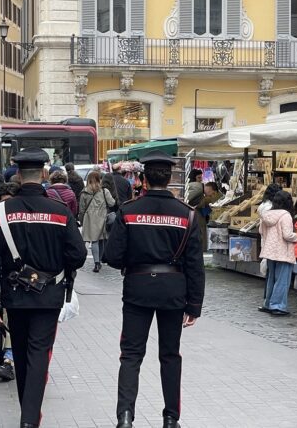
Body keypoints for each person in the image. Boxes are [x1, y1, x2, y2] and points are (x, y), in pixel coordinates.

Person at [0, 148, 87, 427]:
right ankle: (29, 419)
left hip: (14, 295)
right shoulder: (60, 211)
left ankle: (27, 414)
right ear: (43, 174)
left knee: (19, 350)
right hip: (49, 294)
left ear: (18, 174)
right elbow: (77, 255)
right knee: (39, 353)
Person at [103, 151, 205, 428]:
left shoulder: (129, 211)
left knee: (131, 355)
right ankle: (171, 418)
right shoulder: (188, 214)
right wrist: (194, 305)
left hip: (137, 289)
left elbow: (112, 256)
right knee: (170, 355)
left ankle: (125, 416)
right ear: (170, 178)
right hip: (174, 291)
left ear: (144, 178)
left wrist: (135, 261)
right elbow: (195, 264)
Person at [0, 182, 21, 383]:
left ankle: (15, 360)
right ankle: (9, 361)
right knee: (9, 320)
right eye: (2, 203)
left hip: (30, 283)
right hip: (8, 282)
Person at [258, 190, 297, 316]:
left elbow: (261, 231)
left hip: (270, 250)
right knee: (282, 279)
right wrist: (296, 237)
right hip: (283, 251)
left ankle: (268, 302)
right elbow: (287, 235)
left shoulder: (267, 215)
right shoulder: (285, 215)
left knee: (271, 278)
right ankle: (278, 306)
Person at [79, 171, 116, 273]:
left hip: (89, 218)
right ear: (99, 179)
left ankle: (97, 263)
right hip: (102, 217)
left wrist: (82, 220)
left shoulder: (84, 192)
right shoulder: (104, 191)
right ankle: (98, 261)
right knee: (101, 240)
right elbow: (112, 203)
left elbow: (81, 209)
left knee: (94, 240)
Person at [195, 181, 221, 251]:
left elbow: (200, 203)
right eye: (205, 192)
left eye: (208, 192)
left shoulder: (216, 197)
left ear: (214, 192)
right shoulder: (207, 198)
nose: (206, 194)